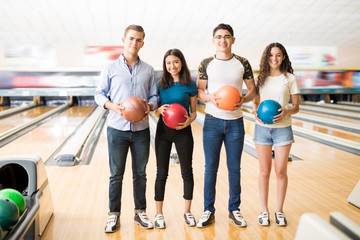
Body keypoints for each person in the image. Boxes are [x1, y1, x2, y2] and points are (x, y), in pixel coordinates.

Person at [94, 24, 158, 233]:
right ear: (124, 39)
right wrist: (114, 106)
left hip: (140, 130)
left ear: (142, 43)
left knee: (140, 173)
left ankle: (140, 213)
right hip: (117, 128)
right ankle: (114, 216)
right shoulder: (110, 68)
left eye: (139, 40)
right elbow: (99, 94)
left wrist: (149, 106)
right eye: (131, 38)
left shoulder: (148, 69)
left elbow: (155, 96)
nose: (134, 43)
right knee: (116, 175)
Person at [196, 23, 256, 228]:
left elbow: (253, 90)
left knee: (234, 169)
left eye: (227, 36)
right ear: (213, 41)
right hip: (212, 121)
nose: (223, 40)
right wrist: (210, 98)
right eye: (219, 37)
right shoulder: (206, 63)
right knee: (210, 169)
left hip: (236, 123)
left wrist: (245, 100)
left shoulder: (243, 63)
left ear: (233, 40)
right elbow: (200, 92)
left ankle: (234, 210)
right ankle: (208, 210)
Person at [253, 42, 300, 227]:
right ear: (266, 58)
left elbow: (296, 107)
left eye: (278, 55)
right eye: (271, 55)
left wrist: (286, 112)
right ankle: (264, 211)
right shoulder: (260, 79)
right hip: (262, 128)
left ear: (283, 57)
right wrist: (256, 111)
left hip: (283, 129)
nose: (274, 58)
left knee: (280, 171)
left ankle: (279, 211)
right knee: (264, 171)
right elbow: (256, 103)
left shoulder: (290, 78)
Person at [153, 49, 198, 229]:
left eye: (176, 62)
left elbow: (194, 112)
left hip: (183, 130)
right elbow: (155, 109)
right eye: (169, 63)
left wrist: (190, 121)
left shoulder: (190, 84)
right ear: (165, 65)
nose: (172, 66)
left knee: (187, 171)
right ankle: (158, 214)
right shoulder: (160, 84)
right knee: (161, 172)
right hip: (163, 131)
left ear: (182, 63)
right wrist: (157, 111)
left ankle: (187, 212)